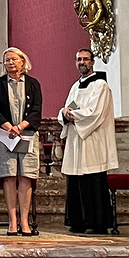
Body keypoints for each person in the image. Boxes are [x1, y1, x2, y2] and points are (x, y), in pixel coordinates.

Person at [59, 48, 118, 235]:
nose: (82, 62)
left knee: (93, 180)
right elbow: (68, 107)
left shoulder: (100, 85)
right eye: (78, 59)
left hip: (93, 139)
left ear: (92, 62)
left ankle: (97, 223)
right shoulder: (75, 86)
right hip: (76, 140)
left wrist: (72, 114)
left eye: (85, 59)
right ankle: (78, 221)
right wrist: (64, 113)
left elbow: (95, 113)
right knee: (76, 180)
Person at [0, 47, 42, 236]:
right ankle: (12, 221)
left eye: (13, 59)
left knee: (26, 176)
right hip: (5, 137)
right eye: (6, 60)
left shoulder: (33, 84)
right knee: (9, 177)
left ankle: (25, 222)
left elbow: (36, 110)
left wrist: (20, 127)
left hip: (26, 135)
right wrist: (9, 127)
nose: (10, 63)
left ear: (22, 61)